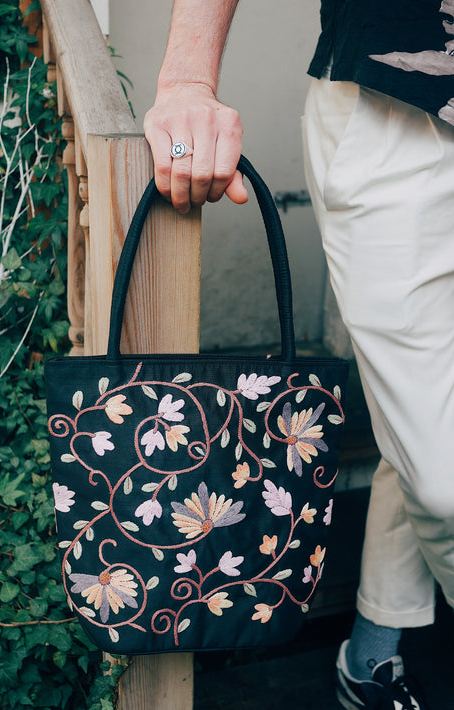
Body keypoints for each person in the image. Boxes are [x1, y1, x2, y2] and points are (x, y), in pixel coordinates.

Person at [143, 2, 454, 709]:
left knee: (429, 420)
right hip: (399, 99)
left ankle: (373, 647)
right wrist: (188, 78)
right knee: (440, 477)